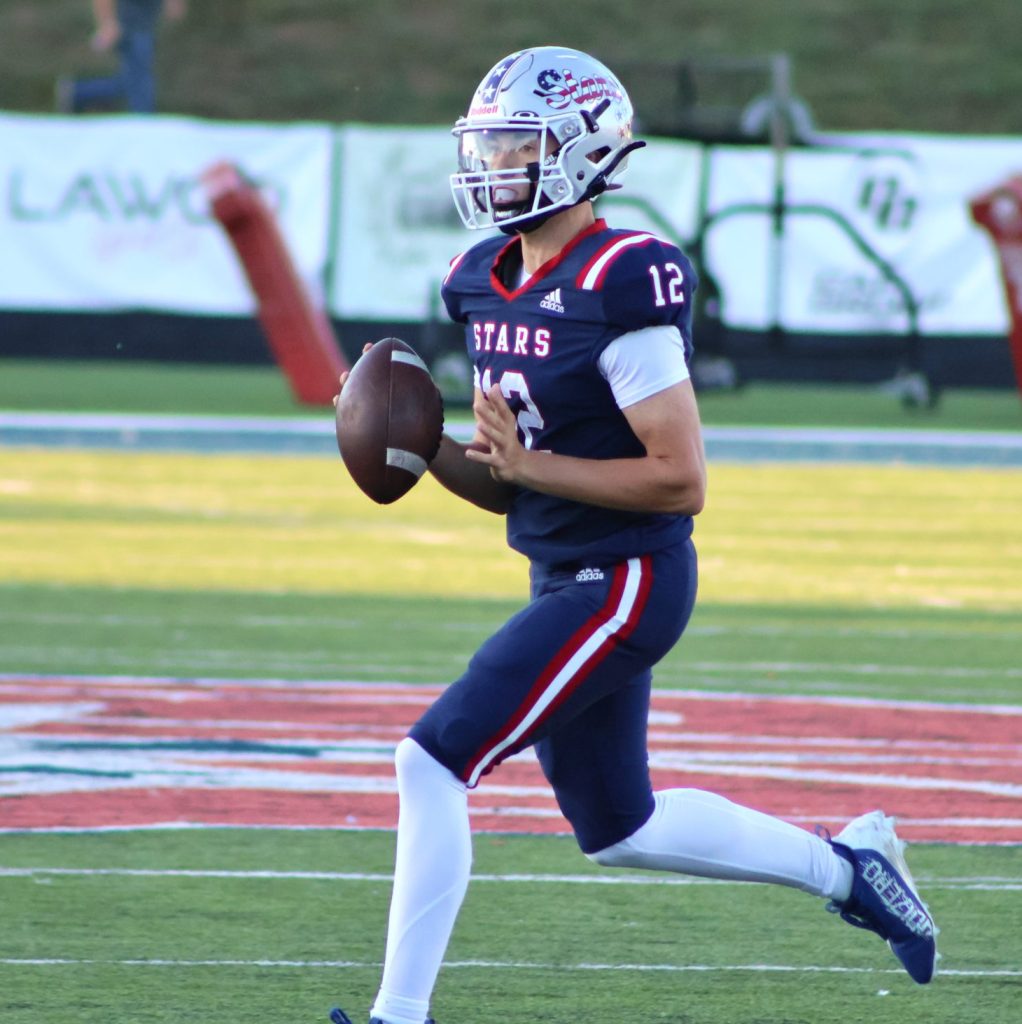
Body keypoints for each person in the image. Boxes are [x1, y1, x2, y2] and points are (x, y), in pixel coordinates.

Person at [330, 46, 937, 1024]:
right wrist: (418, 444)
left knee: (431, 759)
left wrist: (527, 467)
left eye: (515, 146)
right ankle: (849, 870)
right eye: (487, 145)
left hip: (626, 579)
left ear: (579, 152)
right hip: (559, 572)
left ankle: (399, 1015)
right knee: (619, 827)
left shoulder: (624, 277)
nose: (492, 165)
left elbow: (678, 480)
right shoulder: (479, 280)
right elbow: (508, 487)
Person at [56, 0, 186, 114]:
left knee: (136, 81)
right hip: (129, 27)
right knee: (141, 84)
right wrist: (108, 24)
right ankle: (143, 122)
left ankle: (78, 92)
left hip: (144, 27)